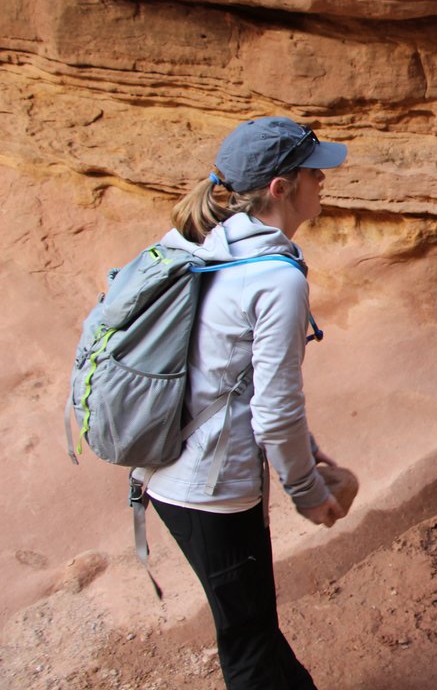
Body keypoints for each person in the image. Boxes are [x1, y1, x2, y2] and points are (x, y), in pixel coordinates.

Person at [146, 116, 348, 689]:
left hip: (171, 467)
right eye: (313, 172)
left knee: (252, 622)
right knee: (249, 642)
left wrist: (305, 450)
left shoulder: (206, 243)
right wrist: (307, 490)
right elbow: (275, 410)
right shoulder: (275, 279)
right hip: (210, 488)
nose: (323, 180)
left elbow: (227, 375)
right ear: (281, 188)